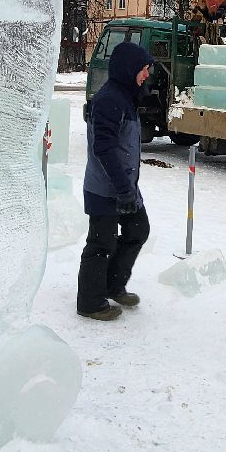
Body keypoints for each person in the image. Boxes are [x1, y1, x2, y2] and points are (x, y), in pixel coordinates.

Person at [77, 41, 154, 320]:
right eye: (144, 69)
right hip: (104, 188)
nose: (147, 74)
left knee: (137, 230)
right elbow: (104, 148)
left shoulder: (126, 96)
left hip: (124, 186)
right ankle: (90, 302)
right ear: (128, 69)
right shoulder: (110, 99)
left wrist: (127, 189)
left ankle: (112, 285)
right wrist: (123, 189)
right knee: (101, 244)